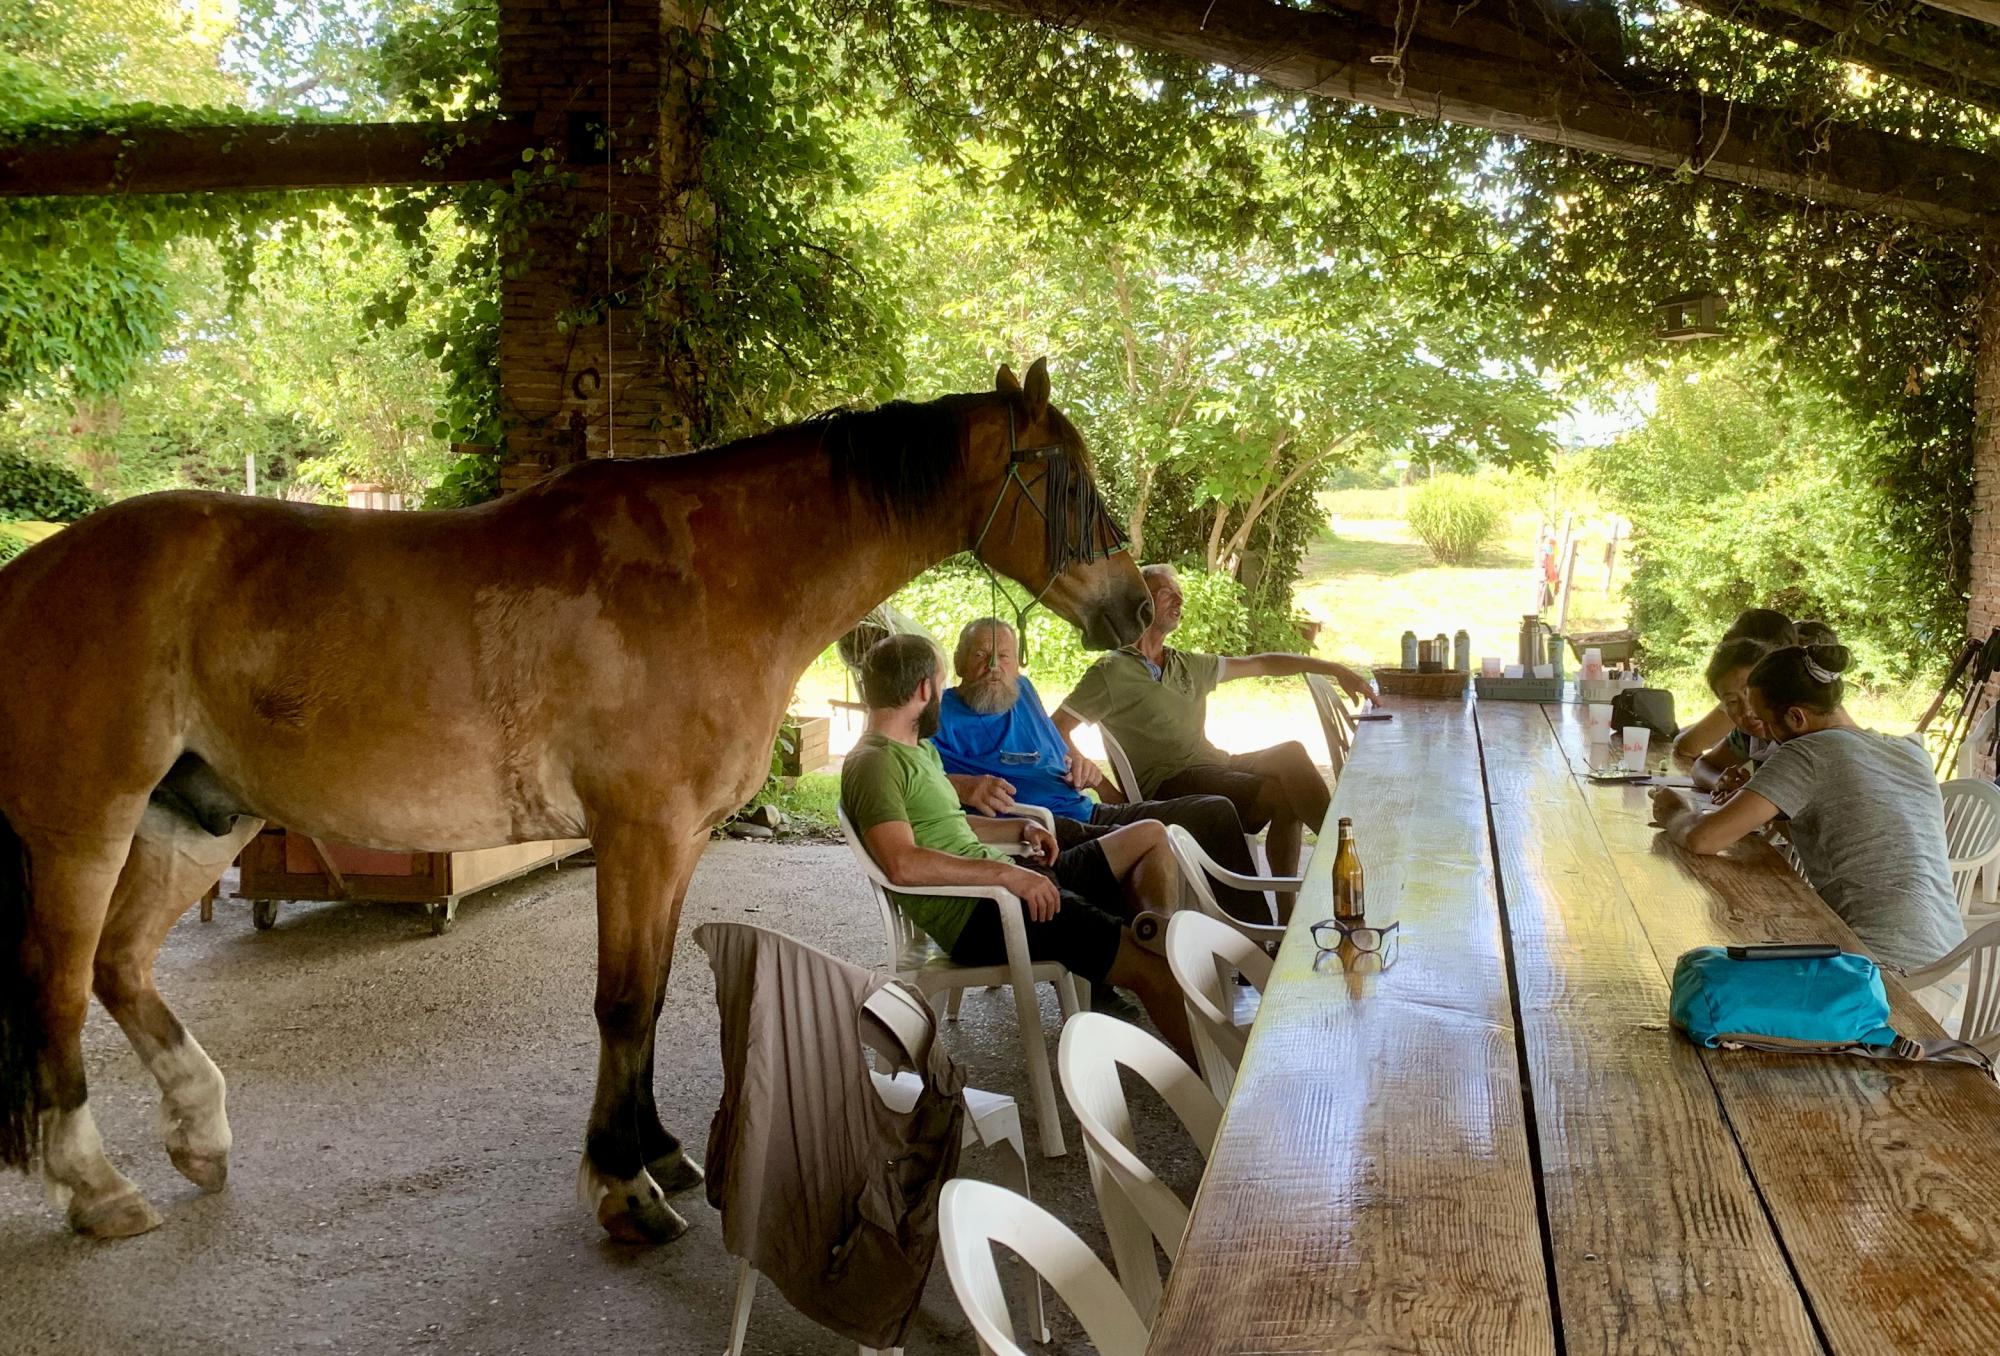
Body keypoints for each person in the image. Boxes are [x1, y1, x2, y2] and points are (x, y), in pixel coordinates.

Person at [840, 634, 1195, 1061]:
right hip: (983, 916)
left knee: (1146, 835)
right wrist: (1008, 874)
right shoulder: (875, 764)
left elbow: (947, 827)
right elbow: (902, 863)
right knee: (1151, 971)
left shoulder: (917, 750)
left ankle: (1154, 927)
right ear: (923, 690)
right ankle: (1221, 1086)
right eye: (941, 680)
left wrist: (1020, 830)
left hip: (1009, 887)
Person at [1650, 643, 1964, 976]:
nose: (1766, 735)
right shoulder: (1911, 751)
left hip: (1878, 966)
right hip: (1945, 960)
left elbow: (1704, 839)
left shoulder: (1807, 752)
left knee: (1702, 979)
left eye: (1768, 723)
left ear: (1797, 717)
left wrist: (1673, 811)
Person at [931, 617, 1266, 918]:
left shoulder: (1023, 692)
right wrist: (960, 785)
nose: (993, 666)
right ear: (959, 661)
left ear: (1017, 664)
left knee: (1216, 812)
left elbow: (1056, 751)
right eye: (980, 654)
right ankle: (1150, 958)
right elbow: (914, 784)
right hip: (1043, 832)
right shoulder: (937, 716)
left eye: (1004, 656)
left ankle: (1255, 940)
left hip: (1088, 811)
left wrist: (1085, 769)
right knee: (1149, 843)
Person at [1052, 563, 1375, 876]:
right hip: (1172, 784)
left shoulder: (1186, 663)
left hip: (1216, 765)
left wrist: (1334, 669)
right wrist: (1107, 790)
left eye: (1179, 593)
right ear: (1140, 601)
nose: (1179, 600)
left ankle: (1342, 862)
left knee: (1291, 753)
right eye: (1166, 593)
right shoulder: (1112, 671)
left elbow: (1262, 664)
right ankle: (1348, 866)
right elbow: (1056, 729)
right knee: (1283, 796)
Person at [1670, 608, 1798, 774]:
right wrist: (1720, 783)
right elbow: (1704, 762)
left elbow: (1689, 745)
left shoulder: (1801, 734)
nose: (1747, 710)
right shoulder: (1747, 728)